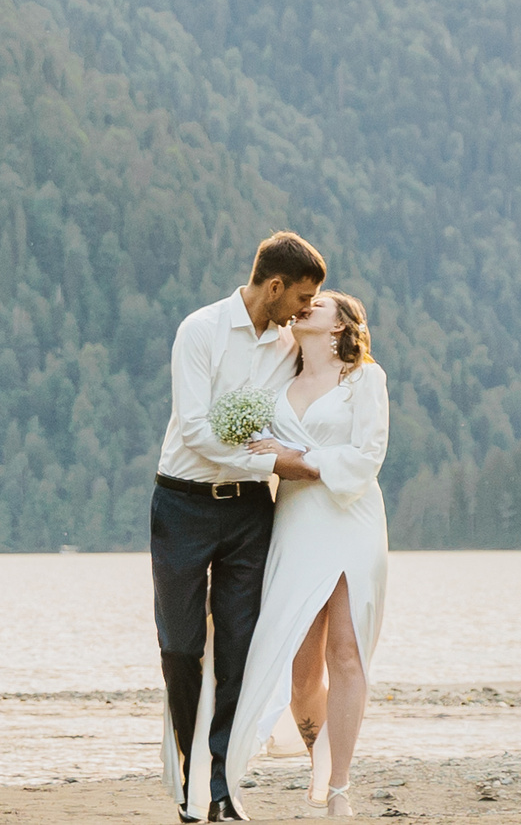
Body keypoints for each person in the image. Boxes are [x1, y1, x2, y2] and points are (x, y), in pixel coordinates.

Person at [152, 231, 325, 822]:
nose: (304, 309)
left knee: (239, 649)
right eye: (301, 297)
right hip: (181, 506)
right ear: (273, 286)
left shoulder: (289, 343)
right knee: (180, 648)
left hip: (251, 512)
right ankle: (186, 766)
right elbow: (197, 432)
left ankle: (219, 785)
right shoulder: (199, 331)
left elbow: (335, 364)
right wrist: (274, 460)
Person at [224, 290, 389, 817]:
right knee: (299, 672)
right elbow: (253, 447)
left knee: (346, 652)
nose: (306, 306)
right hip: (294, 522)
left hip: (351, 518)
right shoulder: (277, 383)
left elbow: (367, 458)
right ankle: (320, 756)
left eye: (319, 303)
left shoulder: (365, 380)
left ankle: (339, 785)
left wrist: (304, 458)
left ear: (342, 326)